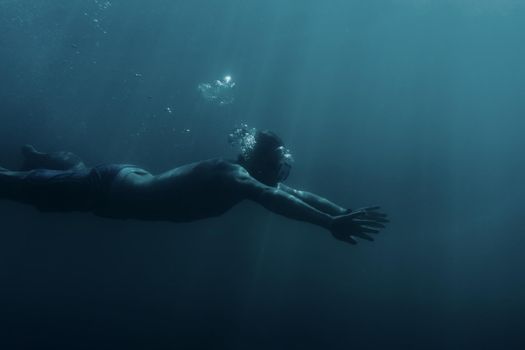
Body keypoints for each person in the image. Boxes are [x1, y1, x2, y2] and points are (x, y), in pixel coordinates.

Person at [0, 130, 388, 245]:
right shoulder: (233, 177)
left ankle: (38, 156)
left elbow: (299, 196)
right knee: (11, 186)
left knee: (73, 170)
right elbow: (276, 199)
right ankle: (33, 164)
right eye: (277, 165)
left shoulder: (246, 180)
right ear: (255, 161)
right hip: (102, 190)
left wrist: (340, 212)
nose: (282, 175)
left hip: (116, 186)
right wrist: (328, 225)